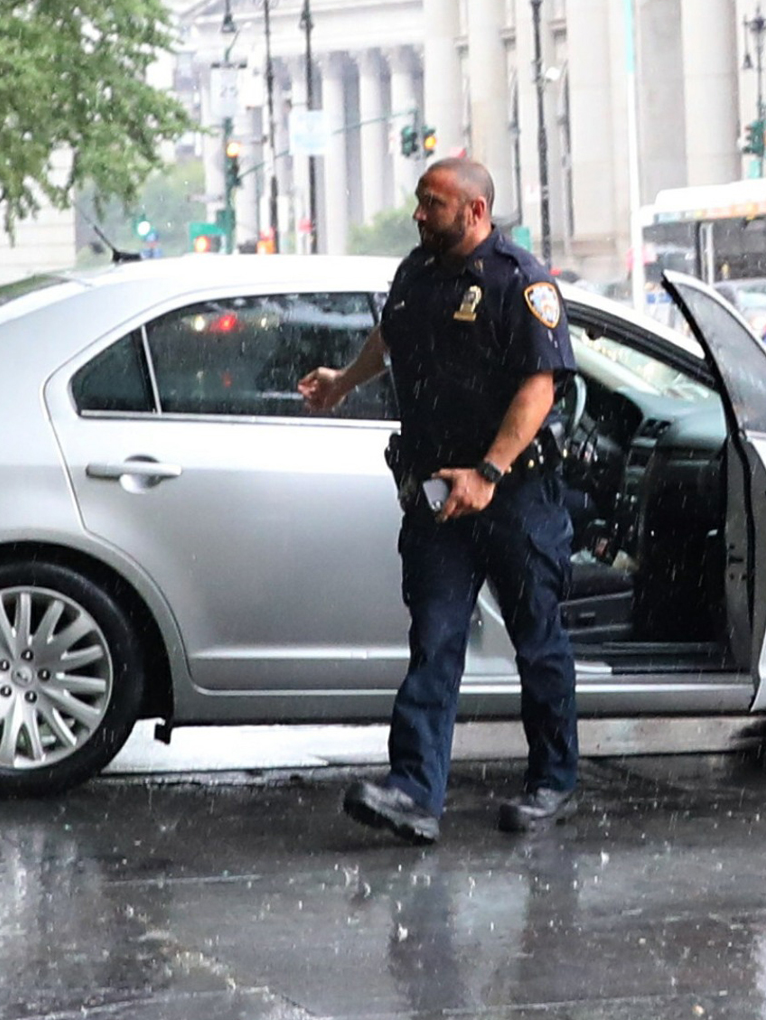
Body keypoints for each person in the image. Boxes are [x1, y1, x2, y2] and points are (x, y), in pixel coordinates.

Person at [298, 158, 578, 844]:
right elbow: (390, 338)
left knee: (537, 641)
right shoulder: (416, 273)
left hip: (511, 495)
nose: (419, 215)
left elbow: (538, 389)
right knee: (435, 640)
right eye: (419, 203)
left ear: (476, 211)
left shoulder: (521, 281)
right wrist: (344, 380)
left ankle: (552, 781)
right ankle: (415, 791)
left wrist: (487, 470)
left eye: (433, 204)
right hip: (436, 498)